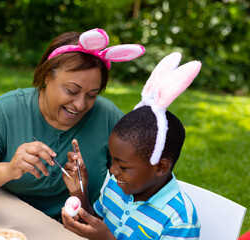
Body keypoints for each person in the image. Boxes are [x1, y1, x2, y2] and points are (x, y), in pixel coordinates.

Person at [0, 28, 145, 221]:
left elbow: (144, 177)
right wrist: (9, 169)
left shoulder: (107, 116)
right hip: (10, 228)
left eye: (92, 95)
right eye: (71, 91)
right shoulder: (7, 111)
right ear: (47, 76)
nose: (81, 104)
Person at [61, 52, 202, 239]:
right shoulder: (117, 185)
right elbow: (95, 225)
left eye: (123, 166)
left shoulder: (179, 221)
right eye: (113, 161)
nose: (113, 170)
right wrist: (79, 191)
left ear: (160, 167)